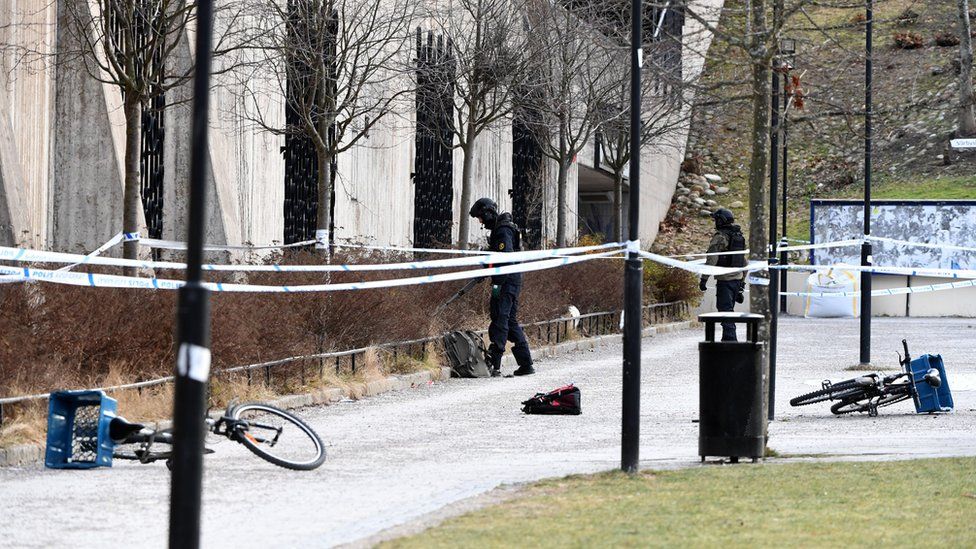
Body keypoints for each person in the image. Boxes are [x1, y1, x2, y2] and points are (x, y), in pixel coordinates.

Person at [469, 197, 535, 376]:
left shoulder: (503, 230)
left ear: (488, 213)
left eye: (481, 218)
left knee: (500, 318)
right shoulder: (503, 227)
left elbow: (504, 259)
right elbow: (498, 256)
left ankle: (494, 363)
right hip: (510, 279)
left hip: (506, 281)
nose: (481, 222)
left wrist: (497, 284)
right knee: (510, 320)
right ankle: (526, 364)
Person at [699, 208, 746, 342]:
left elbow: (711, 259)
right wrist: (742, 283)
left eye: (716, 219)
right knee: (728, 309)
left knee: (725, 310)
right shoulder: (738, 236)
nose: (715, 222)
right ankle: (728, 337)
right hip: (737, 279)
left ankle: (730, 339)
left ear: (721, 221)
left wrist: (704, 279)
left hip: (725, 280)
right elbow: (744, 262)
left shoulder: (721, 237)